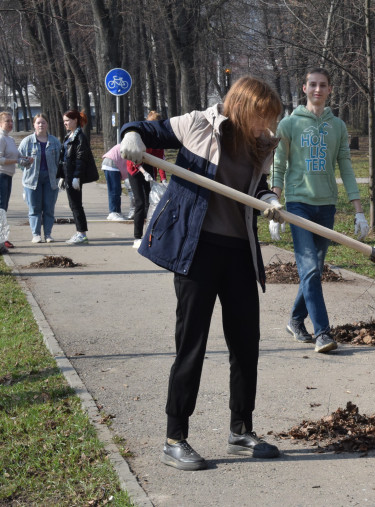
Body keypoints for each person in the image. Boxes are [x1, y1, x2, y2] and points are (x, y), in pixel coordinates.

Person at [119, 76, 285, 472]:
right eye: (264, 117)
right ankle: (175, 436)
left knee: (246, 343)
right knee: (191, 343)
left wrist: (269, 198)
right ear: (245, 107)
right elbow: (143, 128)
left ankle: (241, 429)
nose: (268, 127)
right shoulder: (198, 124)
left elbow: (255, 186)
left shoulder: (259, 143)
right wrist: (131, 137)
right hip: (198, 251)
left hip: (240, 252)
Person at [271, 67, 369, 354]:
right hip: (298, 205)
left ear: (329, 90)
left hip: (326, 206)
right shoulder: (288, 125)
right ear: (304, 88)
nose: (317, 89)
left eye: (322, 85)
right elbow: (278, 165)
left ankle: (295, 320)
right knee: (311, 268)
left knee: (311, 271)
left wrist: (358, 209)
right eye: (312, 85)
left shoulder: (337, 126)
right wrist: (274, 203)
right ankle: (323, 333)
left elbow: (346, 168)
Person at [17, 114, 61, 243]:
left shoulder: (54, 141)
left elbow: (60, 160)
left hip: (51, 180)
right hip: (32, 181)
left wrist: (62, 177)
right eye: (38, 123)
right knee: (35, 208)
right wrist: (26, 162)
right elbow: (19, 160)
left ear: (47, 124)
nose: (41, 125)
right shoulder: (27, 141)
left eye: (43, 123)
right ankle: (36, 234)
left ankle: (48, 234)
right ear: (34, 125)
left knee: (49, 208)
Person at [125, 111, 165, 248]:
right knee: (140, 202)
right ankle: (137, 236)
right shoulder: (139, 135)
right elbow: (132, 156)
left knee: (151, 203)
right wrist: (142, 171)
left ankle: (149, 234)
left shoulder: (158, 138)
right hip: (134, 169)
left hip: (149, 167)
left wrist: (163, 178)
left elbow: (160, 160)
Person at [59, 110, 97, 245]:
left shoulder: (80, 136)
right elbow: (65, 157)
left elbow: (81, 158)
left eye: (67, 120)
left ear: (75, 120)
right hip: (68, 174)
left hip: (74, 175)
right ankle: (79, 232)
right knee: (73, 204)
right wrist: (63, 176)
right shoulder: (69, 135)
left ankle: (81, 233)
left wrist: (76, 176)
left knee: (76, 205)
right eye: (64, 121)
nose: (65, 123)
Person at [0, 111, 20, 249]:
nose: (10, 123)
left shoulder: (10, 139)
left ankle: (3, 238)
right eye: (7, 121)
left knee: (4, 208)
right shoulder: (1, 138)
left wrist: (25, 159)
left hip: (8, 176)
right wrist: (17, 161)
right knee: (1, 208)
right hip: (1, 175)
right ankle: (2, 239)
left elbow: (18, 155)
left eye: (11, 121)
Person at [101, 144, 129, 221]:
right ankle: (113, 212)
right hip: (111, 165)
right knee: (114, 190)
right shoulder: (131, 145)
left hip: (114, 164)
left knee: (117, 190)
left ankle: (117, 211)